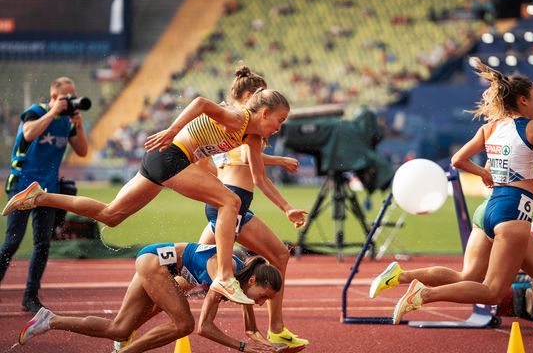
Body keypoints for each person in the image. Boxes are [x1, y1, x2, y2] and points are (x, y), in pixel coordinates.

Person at [2, 66, 307, 306]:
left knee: (111, 214)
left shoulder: (251, 137)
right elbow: (201, 103)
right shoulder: (238, 118)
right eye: (279, 120)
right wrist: (172, 129)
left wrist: (287, 207)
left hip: (163, 160)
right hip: (170, 155)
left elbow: (259, 175)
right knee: (229, 201)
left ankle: (40, 197)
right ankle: (225, 276)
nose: (280, 127)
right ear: (264, 113)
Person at [386, 58, 533, 353]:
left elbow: (457, 160)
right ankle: (424, 294)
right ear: (523, 100)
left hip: (494, 208)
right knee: (492, 291)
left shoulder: (491, 129)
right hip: (513, 215)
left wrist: (484, 173)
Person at [197, 81, 309, 349]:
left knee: (193, 269)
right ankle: (275, 328)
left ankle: (137, 312)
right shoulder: (240, 127)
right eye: (260, 95)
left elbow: (252, 166)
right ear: (253, 99)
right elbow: (252, 166)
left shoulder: (238, 129)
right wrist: (285, 205)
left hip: (231, 204)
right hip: (231, 204)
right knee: (278, 255)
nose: (277, 126)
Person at [19, 242, 284, 353]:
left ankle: (50, 320)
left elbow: (251, 329)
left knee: (120, 329)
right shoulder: (223, 273)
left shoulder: (240, 283)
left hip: (156, 262)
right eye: (262, 297)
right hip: (156, 262)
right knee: (185, 324)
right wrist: (240, 347)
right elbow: (204, 327)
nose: (259, 303)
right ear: (252, 281)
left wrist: (267, 346)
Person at [0, 76, 89, 313]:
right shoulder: (35, 112)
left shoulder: (67, 122)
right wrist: (52, 113)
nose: (71, 102)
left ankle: (30, 295)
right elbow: (28, 134)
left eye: (73, 97)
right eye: (67, 97)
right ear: (54, 97)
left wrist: (78, 126)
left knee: (42, 244)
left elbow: (82, 151)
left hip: (48, 188)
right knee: (12, 242)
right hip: (22, 184)